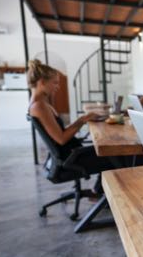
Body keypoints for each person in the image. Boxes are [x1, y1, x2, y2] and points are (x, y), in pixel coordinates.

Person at [26, 59, 112, 194]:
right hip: (70, 158)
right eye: (54, 83)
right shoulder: (39, 106)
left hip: (70, 153)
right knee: (115, 155)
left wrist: (83, 119)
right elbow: (61, 139)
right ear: (42, 82)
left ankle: (100, 192)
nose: (57, 86)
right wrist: (83, 119)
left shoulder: (41, 103)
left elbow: (60, 133)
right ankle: (103, 195)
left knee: (109, 151)